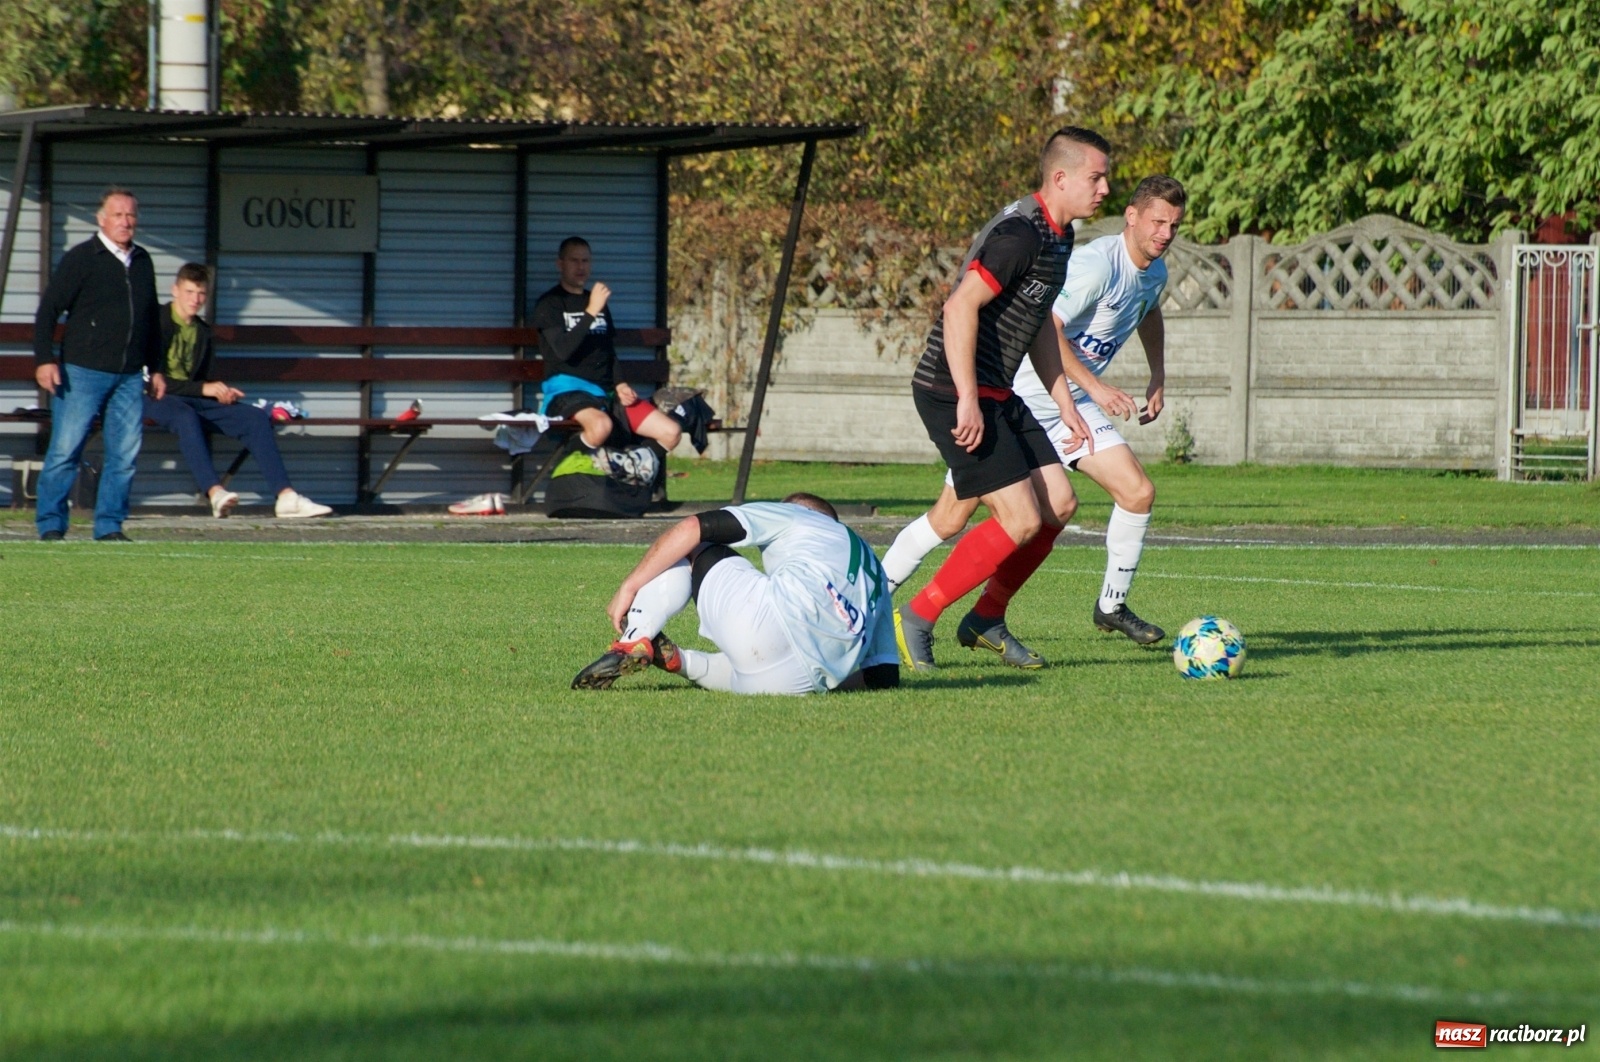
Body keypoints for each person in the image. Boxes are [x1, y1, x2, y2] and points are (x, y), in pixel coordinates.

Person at [882, 176, 1188, 660]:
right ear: (1132, 217)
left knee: (1115, 495)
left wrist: (1157, 374)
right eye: (1158, 222)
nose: (1166, 233)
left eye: (1174, 225)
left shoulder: (1153, 271)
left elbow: (1148, 311)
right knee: (952, 517)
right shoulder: (1091, 264)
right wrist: (1092, 388)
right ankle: (876, 603)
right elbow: (1048, 327)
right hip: (1025, 394)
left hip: (1063, 402)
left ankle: (1081, 607)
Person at [891, 127, 1110, 673]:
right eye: (1096, 177)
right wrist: (967, 397)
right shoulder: (1021, 235)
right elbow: (960, 308)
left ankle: (986, 617)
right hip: (953, 389)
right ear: (1060, 178)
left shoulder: (1060, 238)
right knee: (1018, 518)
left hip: (997, 389)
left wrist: (1065, 402)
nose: (1105, 188)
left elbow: (1036, 327)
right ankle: (917, 616)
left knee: (1058, 506)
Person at [572, 493, 900, 695]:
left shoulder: (798, 514)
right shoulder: (874, 571)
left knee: (694, 545)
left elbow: (692, 528)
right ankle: (679, 662)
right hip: (799, 683)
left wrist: (628, 586)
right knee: (747, 669)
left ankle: (635, 638)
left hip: (771, 620)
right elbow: (883, 677)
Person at [142, 262, 333, 519]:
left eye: (201, 293)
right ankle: (215, 493)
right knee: (184, 416)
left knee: (254, 418)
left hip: (191, 398)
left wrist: (222, 393)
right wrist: (204, 388)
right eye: (189, 292)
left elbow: (202, 383)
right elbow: (149, 378)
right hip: (153, 397)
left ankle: (286, 496)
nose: (195, 299)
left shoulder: (203, 332)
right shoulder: (155, 321)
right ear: (175, 290)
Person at [32, 187, 164, 542]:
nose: (126, 221)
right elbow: (48, 310)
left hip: (129, 376)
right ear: (101, 219)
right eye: (118, 215)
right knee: (66, 449)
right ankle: (50, 524)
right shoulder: (82, 257)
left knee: (124, 453)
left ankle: (109, 525)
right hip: (82, 371)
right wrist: (45, 359)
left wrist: (157, 367)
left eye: (131, 215)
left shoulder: (143, 261)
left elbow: (151, 317)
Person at [530, 236, 683, 454]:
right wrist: (591, 311)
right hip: (568, 390)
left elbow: (608, 350)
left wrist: (620, 383)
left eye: (585, 261)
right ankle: (570, 469)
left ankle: (634, 475)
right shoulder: (550, 304)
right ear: (560, 264)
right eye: (574, 261)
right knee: (602, 426)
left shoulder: (596, 302)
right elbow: (562, 350)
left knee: (671, 431)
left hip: (605, 392)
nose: (581, 267)